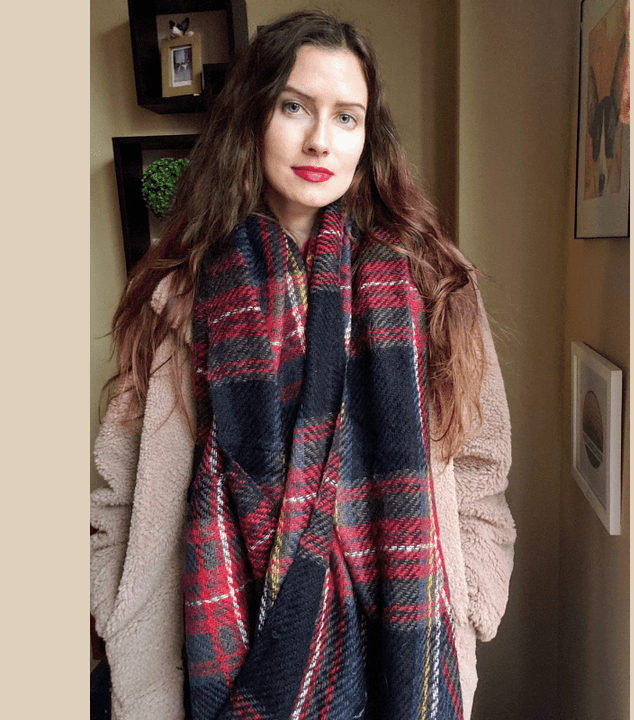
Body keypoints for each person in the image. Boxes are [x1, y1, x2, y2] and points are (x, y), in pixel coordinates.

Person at [91, 11, 515, 720]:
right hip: (215, 654)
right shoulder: (178, 290)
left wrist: (471, 602)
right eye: (294, 107)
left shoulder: (433, 283)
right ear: (253, 117)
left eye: (346, 117)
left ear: (367, 137)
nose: (321, 138)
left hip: (400, 654)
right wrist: (120, 615)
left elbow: (480, 466)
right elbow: (120, 494)